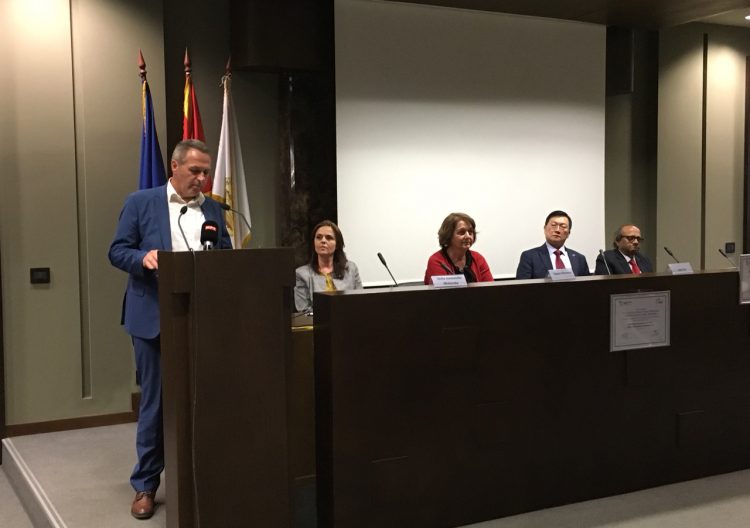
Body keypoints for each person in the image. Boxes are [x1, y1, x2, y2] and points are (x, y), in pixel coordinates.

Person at [108, 139, 231, 520]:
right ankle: (146, 484)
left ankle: (203, 476)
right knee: (156, 402)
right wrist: (143, 258)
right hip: (154, 317)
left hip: (202, 317)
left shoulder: (214, 208)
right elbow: (117, 250)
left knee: (205, 398)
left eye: (206, 171)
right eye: (195, 170)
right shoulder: (140, 202)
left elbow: (225, 254)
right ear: (175, 167)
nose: (202, 178)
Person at [294, 220, 362, 313]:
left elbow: (360, 301)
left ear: (337, 244)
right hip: (318, 321)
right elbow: (304, 310)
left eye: (329, 238)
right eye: (318, 237)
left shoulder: (351, 269)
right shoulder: (301, 274)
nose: (323, 241)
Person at [516, 210, 590, 279]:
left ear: (568, 233)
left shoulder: (579, 259)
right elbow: (522, 287)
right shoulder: (529, 257)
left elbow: (588, 286)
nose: (557, 230)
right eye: (553, 225)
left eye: (563, 226)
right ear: (545, 229)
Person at [424, 212, 493, 284]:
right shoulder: (437, 261)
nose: (468, 236)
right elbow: (441, 290)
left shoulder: (478, 258)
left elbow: (491, 288)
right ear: (449, 235)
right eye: (461, 232)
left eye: (470, 232)